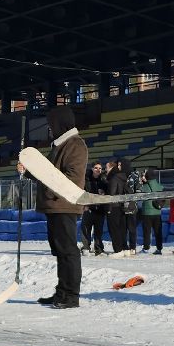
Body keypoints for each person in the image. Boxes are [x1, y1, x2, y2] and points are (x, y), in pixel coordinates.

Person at [18, 105, 87, 308]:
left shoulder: (75, 145)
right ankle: (61, 292)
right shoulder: (59, 145)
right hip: (54, 206)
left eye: (52, 125)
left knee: (68, 251)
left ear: (61, 124)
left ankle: (71, 295)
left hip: (65, 204)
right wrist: (28, 169)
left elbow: (71, 178)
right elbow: (46, 172)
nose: (50, 129)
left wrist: (47, 182)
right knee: (59, 250)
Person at [136, 170, 164, 254]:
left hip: (147, 213)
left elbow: (137, 190)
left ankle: (146, 248)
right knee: (158, 231)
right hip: (157, 212)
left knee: (147, 232)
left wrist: (141, 182)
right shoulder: (159, 186)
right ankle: (159, 248)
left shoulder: (144, 187)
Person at [106, 160, 131, 254]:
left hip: (113, 207)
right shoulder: (122, 177)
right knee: (122, 229)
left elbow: (112, 194)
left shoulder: (113, 177)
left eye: (107, 168)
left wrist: (108, 208)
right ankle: (125, 249)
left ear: (111, 168)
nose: (106, 170)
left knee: (114, 229)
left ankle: (118, 250)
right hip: (121, 206)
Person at [83, 162, 108, 255]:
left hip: (100, 209)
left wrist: (104, 192)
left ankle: (98, 248)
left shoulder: (104, 179)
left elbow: (108, 191)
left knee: (98, 231)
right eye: (96, 168)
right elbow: (82, 193)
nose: (98, 170)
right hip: (88, 208)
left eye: (100, 168)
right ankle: (86, 247)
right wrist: (84, 205)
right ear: (92, 169)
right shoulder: (86, 179)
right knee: (86, 230)